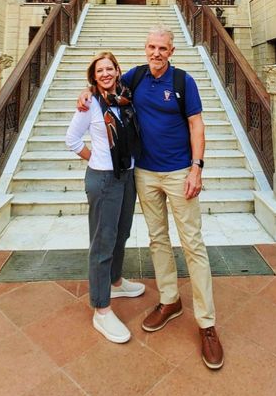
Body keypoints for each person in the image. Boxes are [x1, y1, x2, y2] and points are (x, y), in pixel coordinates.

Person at [77, 26, 224, 370]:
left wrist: (196, 168)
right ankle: (170, 300)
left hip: (178, 173)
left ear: (171, 51)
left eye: (162, 48)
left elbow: (196, 125)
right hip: (143, 172)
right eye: (151, 47)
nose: (156, 52)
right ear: (145, 50)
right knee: (158, 239)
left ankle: (207, 324)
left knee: (193, 245)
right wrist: (85, 92)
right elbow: (105, 83)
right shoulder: (136, 77)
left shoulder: (183, 82)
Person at [66, 51, 145, 344]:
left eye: (109, 68)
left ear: (117, 71)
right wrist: (95, 158)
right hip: (103, 179)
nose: (105, 74)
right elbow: (71, 140)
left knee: (122, 233)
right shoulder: (89, 105)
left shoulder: (126, 97)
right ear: (93, 76)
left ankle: (115, 281)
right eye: (99, 70)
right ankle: (101, 308)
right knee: (102, 242)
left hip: (127, 177)